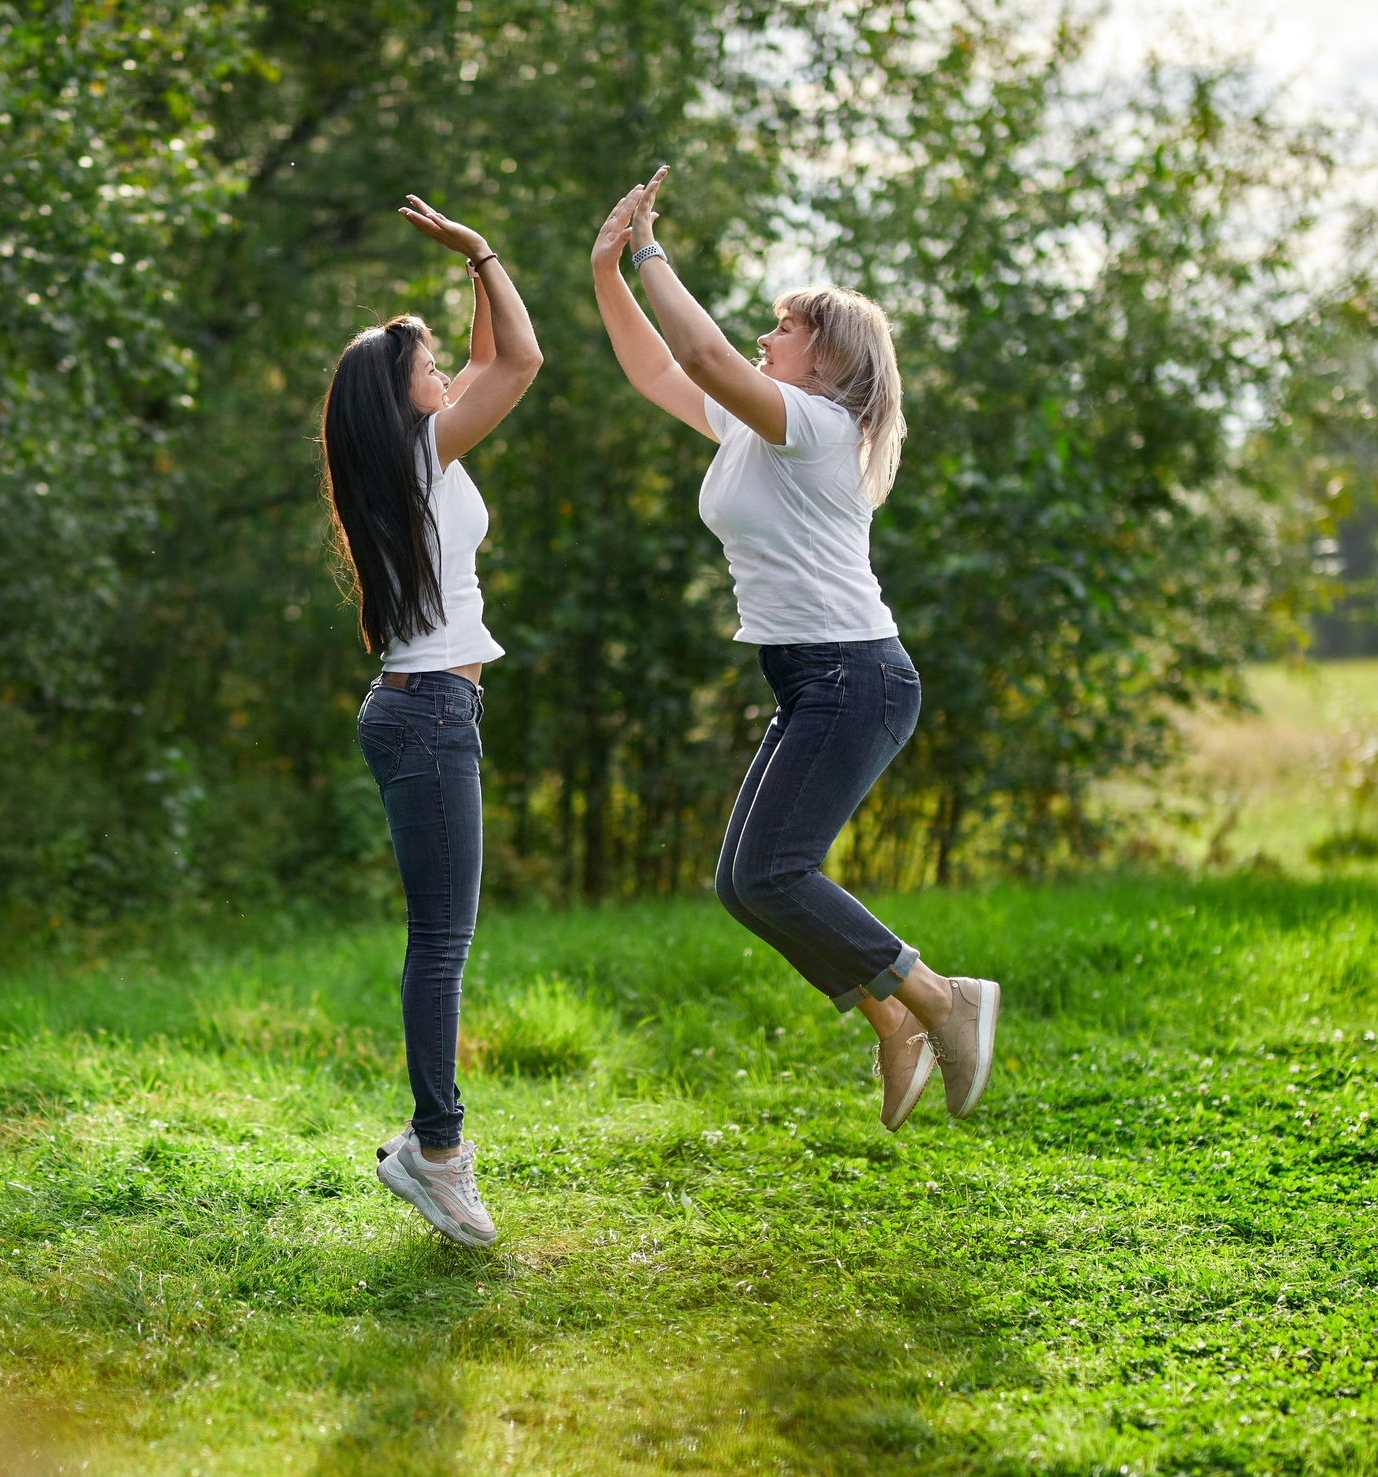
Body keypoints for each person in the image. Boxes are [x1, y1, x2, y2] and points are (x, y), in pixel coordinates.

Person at [590, 167, 1000, 1132]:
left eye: (784, 327)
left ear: (826, 361)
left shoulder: (815, 426)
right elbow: (657, 367)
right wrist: (608, 267)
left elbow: (696, 349)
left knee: (775, 872)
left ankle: (943, 1000)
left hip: (853, 676)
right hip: (814, 678)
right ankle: (890, 1019)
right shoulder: (755, 424)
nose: (764, 336)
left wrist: (650, 251)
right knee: (744, 882)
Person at [320, 195, 542, 1246]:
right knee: (442, 942)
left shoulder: (408, 461)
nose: (445, 373)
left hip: (425, 710)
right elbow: (519, 361)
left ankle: (433, 1144)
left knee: (440, 939)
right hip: (428, 715)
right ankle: (435, 1150)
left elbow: (489, 351)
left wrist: (469, 285)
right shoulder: (417, 457)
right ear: (399, 398)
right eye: (427, 370)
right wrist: (479, 251)